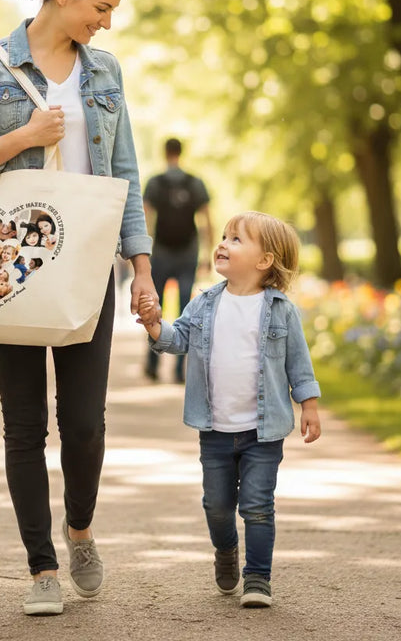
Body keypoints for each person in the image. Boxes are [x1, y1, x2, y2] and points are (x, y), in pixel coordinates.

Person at [0, 0, 159, 617]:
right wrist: (19, 139)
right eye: (101, 7)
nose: (107, 22)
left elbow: (123, 174)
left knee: (85, 424)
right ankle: (40, 567)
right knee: (23, 423)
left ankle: (81, 530)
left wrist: (142, 269)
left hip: (90, 266)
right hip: (11, 266)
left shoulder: (105, 72)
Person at [138, 210, 321, 609]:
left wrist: (308, 404)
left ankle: (258, 578)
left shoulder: (281, 310)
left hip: (263, 432)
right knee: (217, 507)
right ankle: (226, 551)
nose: (222, 243)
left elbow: (299, 363)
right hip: (216, 429)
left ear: (264, 261)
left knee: (257, 506)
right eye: (223, 236)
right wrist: (154, 325)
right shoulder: (204, 303)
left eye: (236, 239)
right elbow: (178, 338)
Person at [143, 137, 213, 383]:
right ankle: (178, 370)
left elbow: (145, 218)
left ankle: (152, 364)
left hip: (161, 250)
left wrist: (143, 255)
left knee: (153, 308)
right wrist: (208, 254)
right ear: (181, 153)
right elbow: (206, 221)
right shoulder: (194, 183)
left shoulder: (155, 182)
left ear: (165, 153)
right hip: (187, 252)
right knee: (187, 310)